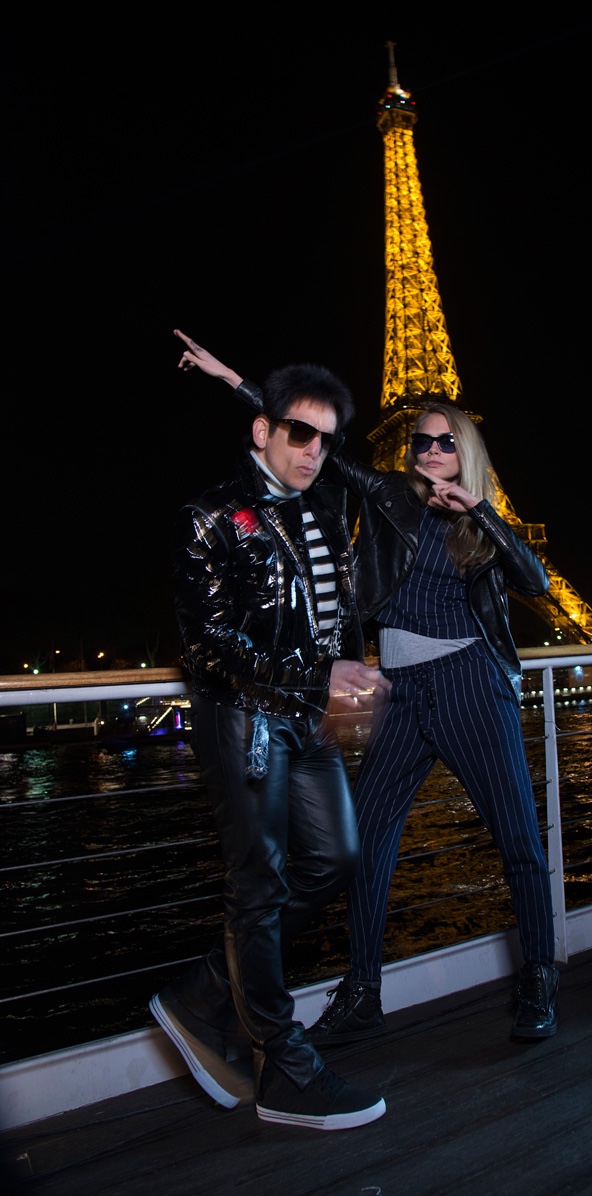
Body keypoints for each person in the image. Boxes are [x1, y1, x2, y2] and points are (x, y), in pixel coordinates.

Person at [173, 329, 559, 1049]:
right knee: (368, 844)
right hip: (396, 690)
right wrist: (230, 378)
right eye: (420, 443)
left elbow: (534, 584)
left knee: (517, 841)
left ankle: (538, 977)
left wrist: (478, 510)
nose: (430, 453)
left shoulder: (481, 526)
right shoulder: (387, 497)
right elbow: (307, 437)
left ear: (465, 451)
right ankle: (363, 993)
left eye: (444, 443)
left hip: (471, 681)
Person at [149, 334, 389, 1130]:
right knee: (261, 884)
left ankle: (203, 995)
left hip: (307, 722)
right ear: (261, 429)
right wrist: (319, 678)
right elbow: (210, 648)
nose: (314, 450)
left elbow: (372, 481)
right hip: (245, 721)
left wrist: (241, 384)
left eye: (325, 437)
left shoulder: (322, 503)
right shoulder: (210, 515)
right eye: (296, 432)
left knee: (335, 859)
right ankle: (280, 1061)